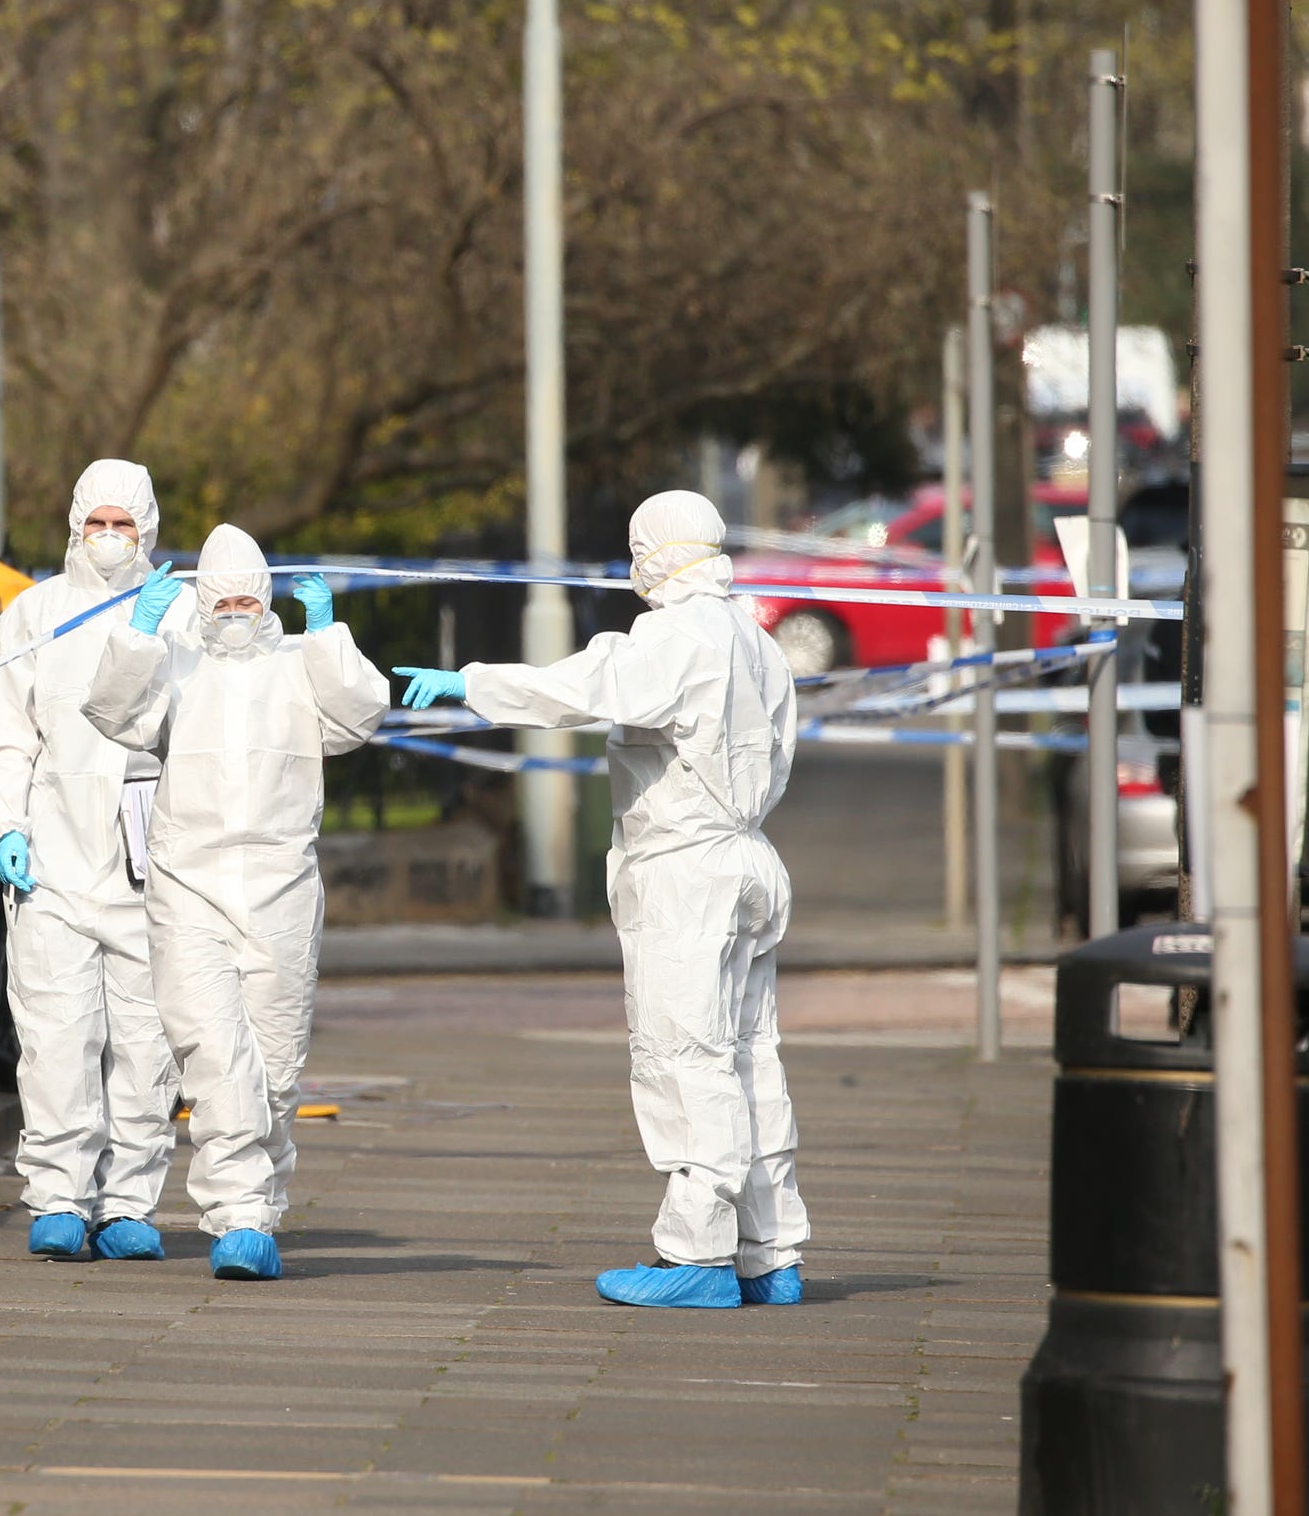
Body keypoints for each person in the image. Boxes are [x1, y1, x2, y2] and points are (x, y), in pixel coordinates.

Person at [395, 490, 810, 1311]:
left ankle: (696, 1254)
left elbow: (584, 687)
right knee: (748, 1057)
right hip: (749, 860)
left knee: (684, 1056)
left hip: (684, 870)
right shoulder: (756, 641)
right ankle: (770, 1250)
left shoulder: (677, 633)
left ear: (650, 550)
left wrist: (471, 682)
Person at [83, 525, 387, 1281]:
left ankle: (258, 1203)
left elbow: (359, 718)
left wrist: (327, 635)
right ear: (200, 603)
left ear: (271, 596)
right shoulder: (178, 667)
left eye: (250, 596)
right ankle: (239, 1220)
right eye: (221, 601)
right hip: (189, 885)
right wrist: (139, 633)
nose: (237, 611)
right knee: (216, 1056)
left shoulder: (297, 668)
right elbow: (112, 714)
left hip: (282, 887)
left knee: (276, 1064)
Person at [0, 460, 187, 1263]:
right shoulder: (33, 617)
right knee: (56, 1030)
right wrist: (6, 825)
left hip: (150, 852)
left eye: (124, 524)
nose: (109, 537)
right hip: (54, 848)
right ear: (73, 524)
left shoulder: (184, 617)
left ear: (149, 529)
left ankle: (128, 1202)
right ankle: (59, 1196)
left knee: (146, 1036)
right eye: (97, 521)